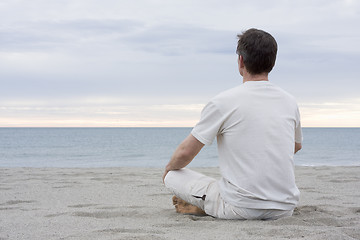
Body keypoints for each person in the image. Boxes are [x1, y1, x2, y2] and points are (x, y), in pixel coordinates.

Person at [162, 28, 303, 220]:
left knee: (173, 176)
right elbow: (295, 146)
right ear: (272, 62)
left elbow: (186, 152)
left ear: (241, 61)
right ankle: (207, 205)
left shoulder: (224, 102)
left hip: (240, 208)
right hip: (285, 209)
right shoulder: (289, 101)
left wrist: (169, 169)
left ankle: (205, 206)